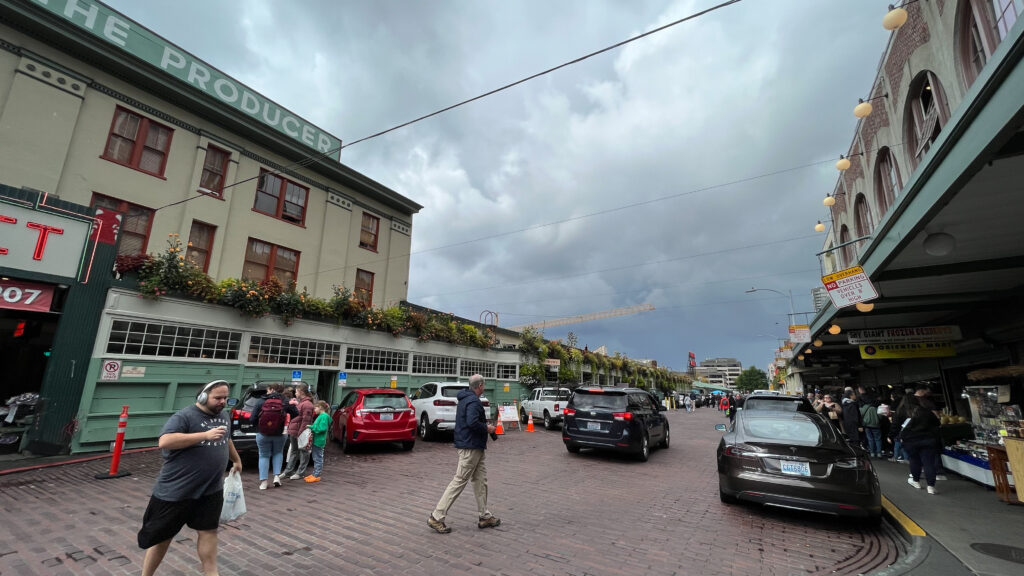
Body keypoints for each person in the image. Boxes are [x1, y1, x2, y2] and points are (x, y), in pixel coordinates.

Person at [137, 380, 242, 576]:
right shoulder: (184, 416)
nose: (222, 402)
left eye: (225, 398)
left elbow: (226, 438)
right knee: (162, 538)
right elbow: (165, 441)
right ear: (202, 397)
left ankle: (212, 573)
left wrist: (236, 459)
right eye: (217, 398)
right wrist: (204, 435)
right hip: (176, 491)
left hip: (210, 490)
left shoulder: (224, 416)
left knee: (209, 531)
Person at [428, 374, 500, 534]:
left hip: (473, 446)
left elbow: (470, 421)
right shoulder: (473, 402)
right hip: (471, 446)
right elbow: (472, 422)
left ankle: (484, 516)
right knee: (459, 480)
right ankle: (437, 516)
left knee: (481, 480)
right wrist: (487, 428)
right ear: (480, 385)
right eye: (484, 384)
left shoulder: (465, 399)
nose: (484, 387)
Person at [251, 383, 297, 490]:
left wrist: (259, 426)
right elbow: (296, 413)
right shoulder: (285, 401)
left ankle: (264, 482)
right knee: (278, 453)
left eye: (267, 390)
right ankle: (276, 477)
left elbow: (252, 418)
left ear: (271, 390)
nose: (266, 392)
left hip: (263, 433)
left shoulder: (261, 401)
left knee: (263, 455)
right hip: (280, 433)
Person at [901, 396, 942, 494]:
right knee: (928, 463)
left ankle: (916, 481)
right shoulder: (927, 412)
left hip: (911, 441)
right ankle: (931, 487)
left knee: (914, 461)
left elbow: (899, 427)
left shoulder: (905, 413)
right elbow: (937, 423)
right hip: (927, 440)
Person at [282, 384, 314, 480]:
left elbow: (306, 420)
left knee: (303, 451)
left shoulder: (307, 404)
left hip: (299, 431)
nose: (295, 393)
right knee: (294, 451)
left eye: (296, 391)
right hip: (295, 430)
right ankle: (288, 471)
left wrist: (300, 432)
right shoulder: (301, 403)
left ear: (301, 392)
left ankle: (300, 472)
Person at [305, 400, 331, 483]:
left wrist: (311, 427)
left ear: (320, 407)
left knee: (318, 458)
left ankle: (316, 475)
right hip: (317, 440)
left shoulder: (323, 416)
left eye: (315, 408)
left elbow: (322, 428)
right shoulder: (322, 416)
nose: (314, 410)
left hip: (319, 440)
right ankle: (315, 474)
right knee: (316, 457)